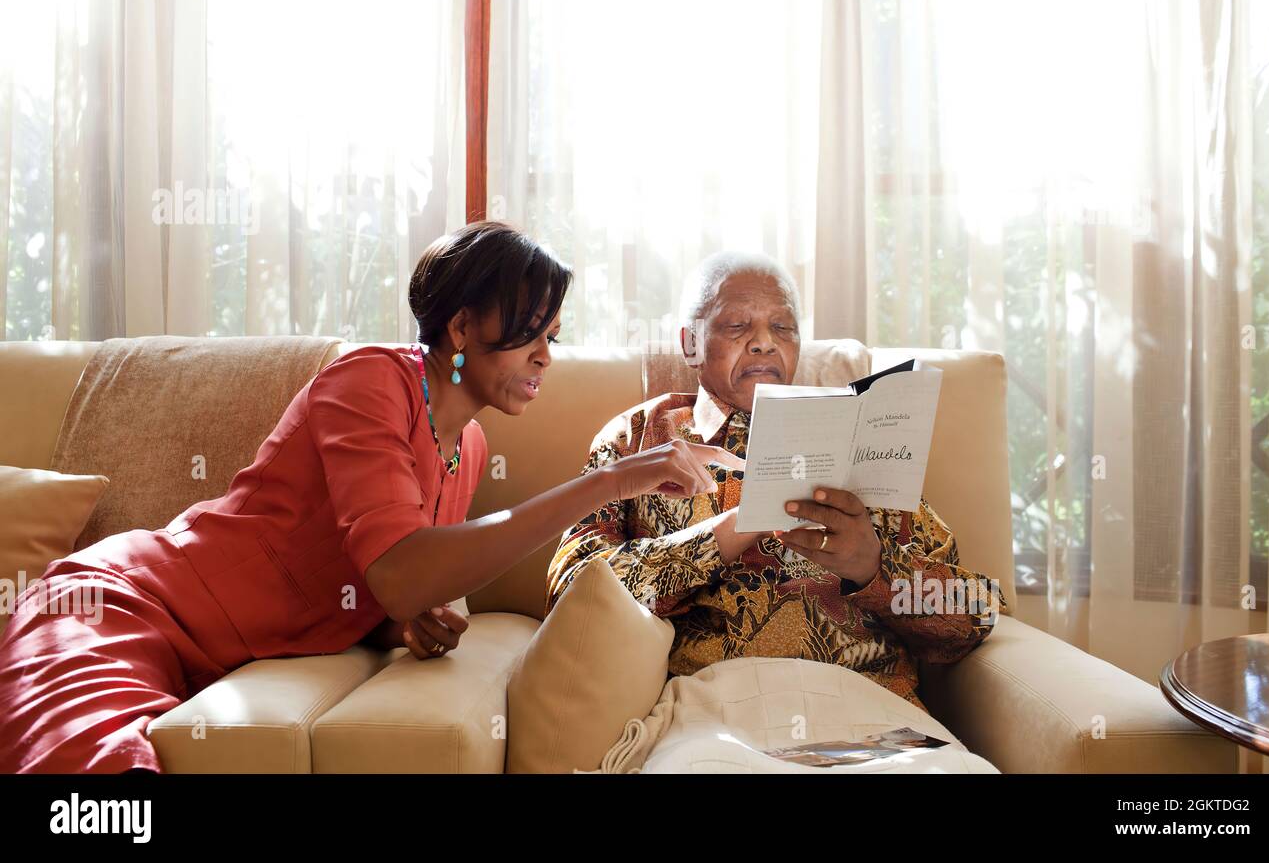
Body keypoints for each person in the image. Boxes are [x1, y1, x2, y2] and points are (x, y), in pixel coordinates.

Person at [0, 221, 741, 773]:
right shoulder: (370, 382)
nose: (546, 353)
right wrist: (610, 483)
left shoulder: (469, 444)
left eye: (551, 334)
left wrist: (406, 622)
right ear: (461, 327)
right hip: (125, 607)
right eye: (527, 333)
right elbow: (400, 567)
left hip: (213, 656)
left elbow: (390, 581)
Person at [546, 250, 1006, 712]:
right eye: (736, 326)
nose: (765, 343)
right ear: (690, 343)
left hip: (869, 711)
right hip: (713, 713)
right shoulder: (638, 440)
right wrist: (725, 534)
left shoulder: (863, 436)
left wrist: (874, 568)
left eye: (783, 327)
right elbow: (573, 596)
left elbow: (974, 614)